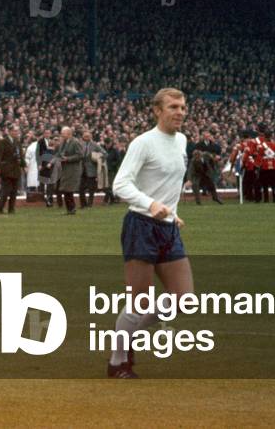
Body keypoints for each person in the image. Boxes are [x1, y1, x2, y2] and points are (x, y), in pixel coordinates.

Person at [109, 88, 191, 379]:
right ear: (157, 110)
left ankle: (124, 335)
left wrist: (171, 210)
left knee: (184, 300)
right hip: (140, 226)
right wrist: (151, 203)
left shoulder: (182, 141)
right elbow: (120, 185)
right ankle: (118, 361)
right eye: (173, 107)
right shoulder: (143, 143)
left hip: (168, 228)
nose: (180, 112)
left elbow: (168, 186)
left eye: (182, 106)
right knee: (139, 302)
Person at [0, 125, 25, 214]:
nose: (16, 133)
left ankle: (11, 209)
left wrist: (24, 165)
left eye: (17, 131)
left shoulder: (17, 142)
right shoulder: (2, 142)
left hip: (16, 169)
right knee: (6, 190)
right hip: (6, 169)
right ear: (10, 131)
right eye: (15, 131)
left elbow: (21, 156)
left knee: (14, 191)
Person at [54, 127, 84, 214]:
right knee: (65, 189)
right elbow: (60, 153)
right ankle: (70, 208)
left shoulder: (75, 142)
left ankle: (71, 208)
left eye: (63, 133)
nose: (61, 135)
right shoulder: (63, 142)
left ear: (69, 133)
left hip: (72, 169)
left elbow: (80, 155)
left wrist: (68, 159)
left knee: (68, 189)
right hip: (65, 169)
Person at [80, 130, 106, 208]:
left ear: (91, 137)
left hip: (91, 170)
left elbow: (104, 154)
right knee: (80, 188)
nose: (86, 138)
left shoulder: (95, 145)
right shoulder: (81, 144)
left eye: (87, 136)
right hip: (82, 169)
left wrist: (97, 158)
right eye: (84, 136)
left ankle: (89, 204)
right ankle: (83, 204)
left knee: (91, 189)